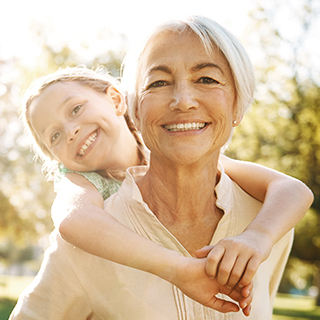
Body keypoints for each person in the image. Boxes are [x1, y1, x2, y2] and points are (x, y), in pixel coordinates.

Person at [10, 16, 313, 319]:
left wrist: (257, 236)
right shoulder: (84, 225)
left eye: (206, 79)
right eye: (158, 83)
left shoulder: (268, 218)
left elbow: (293, 189)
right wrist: (178, 269)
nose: (183, 101)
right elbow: (72, 219)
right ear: (136, 107)